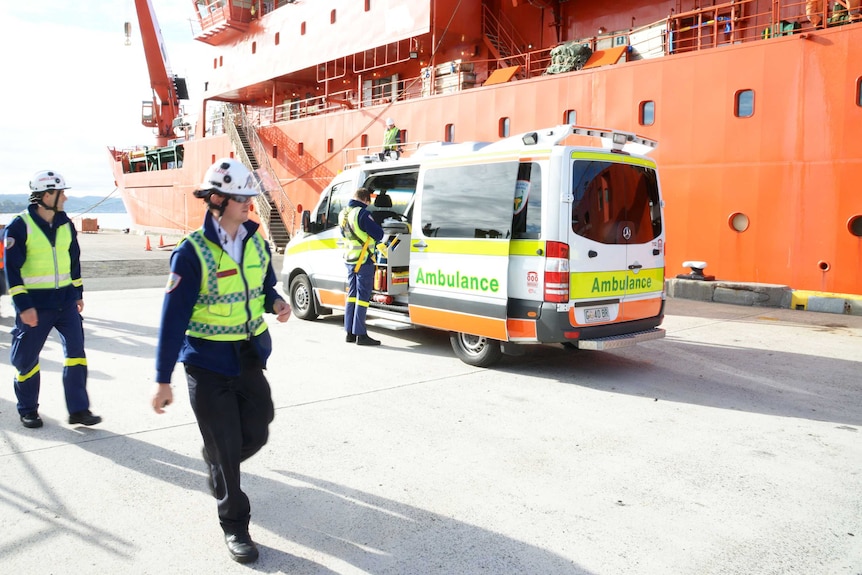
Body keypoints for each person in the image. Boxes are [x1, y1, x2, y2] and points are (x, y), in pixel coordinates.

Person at [150, 158, 291, 564]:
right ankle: (235, 525)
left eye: (250, 195)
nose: (250, 203)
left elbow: (264, 287)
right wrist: (163, 380)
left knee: (259, 428)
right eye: (242, 197)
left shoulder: (257, 242)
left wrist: (276, 301)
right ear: (217, 199)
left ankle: (214, 458)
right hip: (207, 364)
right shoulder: (191, 253)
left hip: (248, 356)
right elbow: (172, 319)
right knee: (227, 448)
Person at [4, 170, 100, 429]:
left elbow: (73, 260)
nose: (66, 198)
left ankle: (79, 410)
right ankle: (28, 410)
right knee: (26, 360)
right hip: (35, 306)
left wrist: (78, 293)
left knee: (76, 353)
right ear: (47, 195)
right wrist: (23, 307)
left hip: (66, 303)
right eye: (62, 193)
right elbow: (11, 271)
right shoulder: (19, 226)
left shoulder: (65, 224)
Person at [339, 187, 384, 346]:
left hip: (350, 260)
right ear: (365, 199)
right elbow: (378, 234)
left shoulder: (343, 213)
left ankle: (349, 332)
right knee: (363, 298)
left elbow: (344, 235)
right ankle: (361, 334)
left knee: (352, 295)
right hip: (364, 260)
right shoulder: (362, 214)